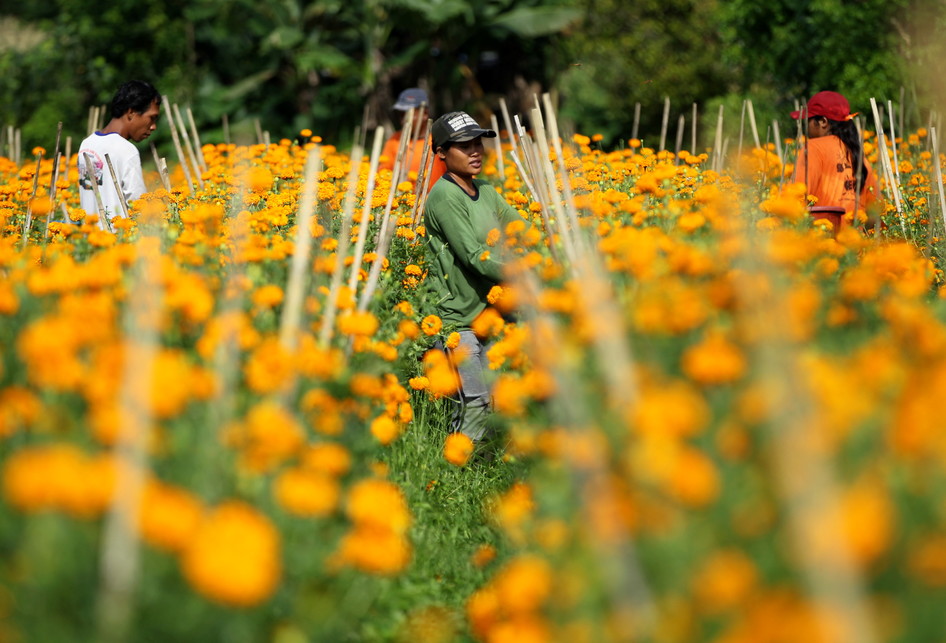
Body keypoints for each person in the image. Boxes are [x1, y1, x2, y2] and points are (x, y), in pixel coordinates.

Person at [423, 111, 527, 444]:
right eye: (464, 145)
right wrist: (525, 271)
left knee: (508, 399)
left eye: (477, 143)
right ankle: (455, 479)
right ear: (441, 152)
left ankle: (494, 471)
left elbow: (522, 230)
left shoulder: (487, 191)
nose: (475, 151)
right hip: (460, 323)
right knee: (476, 405)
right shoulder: (444, 197)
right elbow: (473, 257)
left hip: (493, 314)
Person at [790, 90, 880, 229]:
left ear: (822, 122)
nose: (805, 128)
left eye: (808, 121)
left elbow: (795, 199)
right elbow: (876, 211)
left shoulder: (813, 148)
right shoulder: (858, 154)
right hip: (855, 245)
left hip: (823, 243)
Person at [77, 80, 161, 228]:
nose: (153, 126)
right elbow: (139, 204)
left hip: (89, 241)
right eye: (152, 118)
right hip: (119, 242)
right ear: (131, 112)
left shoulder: (87, 145)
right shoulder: (126, 150)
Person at [380, 88, 445, 190]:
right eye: (400, 115)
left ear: (424, 114)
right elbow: (382, 173)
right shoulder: (394, 140)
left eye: (407, 114)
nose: (402, 121)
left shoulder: (440, 142)